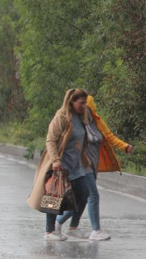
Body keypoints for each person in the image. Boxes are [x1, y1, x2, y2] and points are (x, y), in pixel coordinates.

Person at [55, 95, 132, 241]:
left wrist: (124, 146)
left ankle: (63, 225)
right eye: (83, 108)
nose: (85, 111)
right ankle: (96, 230)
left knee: (82, 197)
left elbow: (109, 137)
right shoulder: (76, 124)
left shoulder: (97, 122)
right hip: (81, 165)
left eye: (88, 108)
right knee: (93, 195)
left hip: (93, 165)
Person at [28, 88, 92, 241]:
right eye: (81, 103)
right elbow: (50, 140)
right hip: (61, 164)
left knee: (84, 193)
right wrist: (55, 160)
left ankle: (73, 227)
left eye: (85, 103)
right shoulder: (61, 117)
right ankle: (49, 232)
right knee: (54, 197)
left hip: (75, 165)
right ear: (71, 102)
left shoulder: (82, 117)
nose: (84, 106)